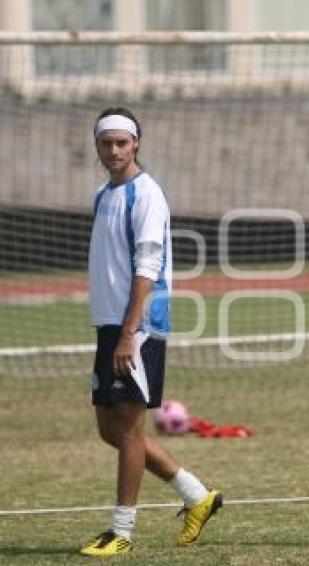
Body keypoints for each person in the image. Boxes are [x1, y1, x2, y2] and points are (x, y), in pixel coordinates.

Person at [81, 108, 222, 556]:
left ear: (136, 143)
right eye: (107, 143)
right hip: (112, 325)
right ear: (98, 146)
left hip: (137, 327)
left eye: (122, 143)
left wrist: (129, 332)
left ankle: (121, 531)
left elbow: (148, 266)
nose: (114, 150)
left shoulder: (147, 195)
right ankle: (197, 496)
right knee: (111, 429)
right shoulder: (103, 195)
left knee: (126, 429)